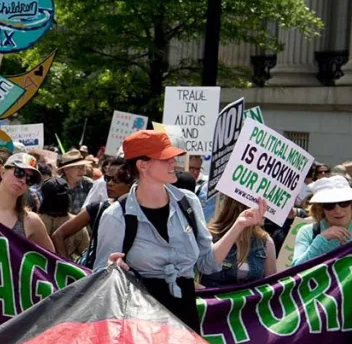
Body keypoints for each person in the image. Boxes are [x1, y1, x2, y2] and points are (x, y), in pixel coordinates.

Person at [96, 130, 266, 331]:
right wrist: (111, 269)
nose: (174, 162)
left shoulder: (189, 202)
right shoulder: (116, 215)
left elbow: (207, 264)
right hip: (139, 319)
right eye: (165, 158)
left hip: (185, 315)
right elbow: (101, 282)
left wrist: (239, 225)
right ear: (142, 165)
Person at [53, 157, 132, 265]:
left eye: (116, 179)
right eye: (107, 178)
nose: (109, 183)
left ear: (132, 182)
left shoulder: (141, 211)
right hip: (96, 276)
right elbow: (58, 235)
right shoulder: (97, 208)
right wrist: (68, 267)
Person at [201, 196, 276, 287]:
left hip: (249, 300)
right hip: (213, 299)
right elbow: (207, 267)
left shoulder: (265, 241)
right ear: (242, 207)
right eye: (260, 204)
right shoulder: (209, 235)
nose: (265, 210)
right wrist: (239, 225)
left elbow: (272, 287)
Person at [0, 152, 54, 251]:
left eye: (30, 179)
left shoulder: (31, 221)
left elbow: (52, 260)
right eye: (19, 172)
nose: (23, 180)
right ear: (2, 172)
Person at [291, 175, 352, 266]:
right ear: (320, 208)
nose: (338, 210)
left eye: (344, 203)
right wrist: (322, 239)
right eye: (329, 205)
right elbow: (296, 271)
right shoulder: (308, 232)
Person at [37, 177, 88, 260]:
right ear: (67, 198)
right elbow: (86, 254)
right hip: (66, 271)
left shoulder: (33, 222)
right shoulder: (76, 224)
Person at [58, 149, 93, 214]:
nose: (82, 170)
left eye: (83, 167)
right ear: (66, 169)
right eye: (78, 167)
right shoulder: (55, 185)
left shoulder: (89, 185)